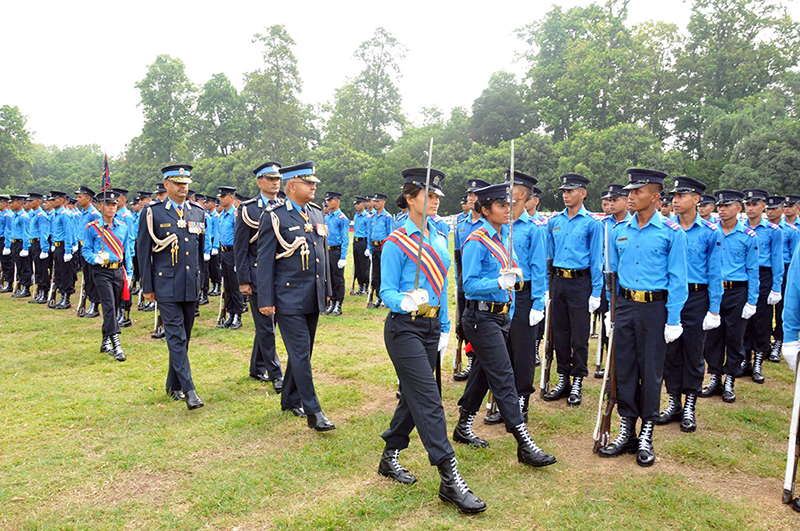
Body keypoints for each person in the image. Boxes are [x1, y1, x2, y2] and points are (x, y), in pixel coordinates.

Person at [378, 166, 486, 514]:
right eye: (429, 194)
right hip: (403, 327)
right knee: (429, 398)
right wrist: (403, 301)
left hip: (428, 329)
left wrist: (442, 325)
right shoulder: (397, 240)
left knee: (414, 395)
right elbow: (386, 290)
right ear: (410, 198)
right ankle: (449, 477)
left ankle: (389, 455)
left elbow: (440, 287)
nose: (436, 200)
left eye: (438, 194)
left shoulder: (440, 236)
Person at [453, 182, 557, 468]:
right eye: (501, 206)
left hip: (500, 315)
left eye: (509, 204)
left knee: (484, 373)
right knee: (503, 374)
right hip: (480, 316)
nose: (507, 210)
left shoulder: (499, 238)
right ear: (485, 210)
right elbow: (469, 285)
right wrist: (497, 282)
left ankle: (463, 425)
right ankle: (523, 441)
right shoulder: (477, 240)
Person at [599, 169, 688, 467]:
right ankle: (627, 430)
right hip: (625, 305)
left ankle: (646, 432)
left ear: (655, 196)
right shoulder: (618, 230)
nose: (631, 196)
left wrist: (673, 318)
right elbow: (611, 275)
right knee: (624, 368)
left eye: (637, 192)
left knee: (650, 371)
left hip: (654, 309)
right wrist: (612, 308)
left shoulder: (672, 233)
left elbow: (678, 278)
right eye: (630, 192)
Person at [256, 161, 335, 431]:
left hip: (312, 295)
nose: (313, 187)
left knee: (304, 353)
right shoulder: (274, 216)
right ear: (292, 186)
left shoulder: (316, 214)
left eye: (314, 183)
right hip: (287, 297)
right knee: (300, 353)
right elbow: (264, 261)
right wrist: (265, 300)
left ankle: (289, 398)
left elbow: (322, 256)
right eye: (308, 183)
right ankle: (313, 410)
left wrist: (327, 291)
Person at [656, 177, 722, 433]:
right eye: (674, 195)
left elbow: (716, 272)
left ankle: (690, 404)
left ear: (696, 199)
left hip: (697, 297)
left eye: (682, 195)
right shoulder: (666, 228)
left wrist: (714, 308)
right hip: (671, 297)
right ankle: (674, 402)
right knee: (671, 353)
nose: (675, 200)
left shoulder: (709, 232)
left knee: (694, 353)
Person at [137, 164, 206, 410]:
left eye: (185, 183)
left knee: (183, 338)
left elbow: (200, 251)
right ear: (166, 185)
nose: (182, 187)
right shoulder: (152, 213)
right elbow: (143, 252)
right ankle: (189, 390)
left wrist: (202, 282)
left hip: (190, 284)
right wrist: (147, 286)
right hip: (165, 283)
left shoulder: (197, 212)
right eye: (177, 183)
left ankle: (172, 384)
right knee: (175, 336)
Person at [543, 174, 603, 406]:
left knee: (579, 335)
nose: (566, 195)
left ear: (583, 193)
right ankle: (563, 377)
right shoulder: (554, 221)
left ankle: (577, 379)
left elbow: (597, 259)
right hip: (559, 281)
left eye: (571, 191)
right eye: (564, 191)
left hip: (581, 282)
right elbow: (550, 256)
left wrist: (596, 292)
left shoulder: (592, 223)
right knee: (560, 333)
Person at [700, 190, 759, 403]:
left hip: (736, 292)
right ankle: (715, 376)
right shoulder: (711, 231)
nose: (722, 209)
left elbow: (753, 270)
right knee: (713, 337)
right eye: (720, 205)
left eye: (727, 205)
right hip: (714, 291)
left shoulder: (748, 236)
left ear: (738, 208)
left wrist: (752, 300)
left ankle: (730, 379)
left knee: (734, 337)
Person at [235, 162, 285, 393]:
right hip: (257, 275)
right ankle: (276, 373)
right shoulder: (248, 209)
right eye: (270, 179)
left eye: (277, 179)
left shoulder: (285, 206)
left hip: (281, 274)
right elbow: (241, 248)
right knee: (266, 326)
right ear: (259, 182)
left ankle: (257, 366)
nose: (275, 182)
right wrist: (243, 280)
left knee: (267, 323)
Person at [82, 190, 133, 362]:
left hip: (118, 270)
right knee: (109, 305)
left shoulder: (123, 227)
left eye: (113, 204)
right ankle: (116, 342)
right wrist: (95, 258)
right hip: (101, 270)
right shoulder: (92, 228)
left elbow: (127, 251)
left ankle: (105, 341)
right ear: (99, 206)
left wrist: (130, 272)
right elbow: (86, 250)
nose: (111, 207)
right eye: (107, 204)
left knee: (116, 305)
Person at [740, 188, 783, 384]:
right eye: (747, 204)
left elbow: (777, 260)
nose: (750, 208)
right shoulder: (741, 228)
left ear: (763, 206)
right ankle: (745, 359)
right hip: (745, 277)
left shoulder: (773, 231)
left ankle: (758, 361)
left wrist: (776, 287)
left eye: (754, 204)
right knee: (745, 320)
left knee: (762, 320)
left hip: (764, 275)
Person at [452, 179, 491, 382]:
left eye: (474, 195)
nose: (470, 198)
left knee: (481, 323)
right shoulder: (461, 224)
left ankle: (480, 361)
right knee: (465, 323)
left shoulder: (489, 225)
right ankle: (470, 358)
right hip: (464, 281)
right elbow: (458, 256)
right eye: (469, 194)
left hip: (483, 283)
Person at [772, 195, 800, 362]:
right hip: (783, 270)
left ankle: (779, 339)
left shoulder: (794, 231)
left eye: (791, 206)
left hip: (788, 267)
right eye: (786, 206)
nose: (788, 209)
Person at [216, 186, 244, 330]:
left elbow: (239, 237)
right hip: (224, 252)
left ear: (231, 197)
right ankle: (230, 313)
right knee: (226, 286)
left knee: (235, 285)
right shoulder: (221, 215)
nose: (220, 199)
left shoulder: (236, 214)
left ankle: (238, 315)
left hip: (234, 252)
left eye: (223, 196)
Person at [76, 186, 102, 318]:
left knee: (92, 278)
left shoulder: (94, 214)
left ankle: (95, 305)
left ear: (88, 198)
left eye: (80, 197)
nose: (77, 199)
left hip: (91, 250)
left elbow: (98, 236)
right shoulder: (83, 212)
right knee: (87, 277)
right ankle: (91, 302)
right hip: (84, 248)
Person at [323, 191, 350, 316]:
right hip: (327, 250)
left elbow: (345, 238)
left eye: (331, 200)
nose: (328, 202)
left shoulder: (342, 218)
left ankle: (338, 303)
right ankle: (332, 302)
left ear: (337, 201)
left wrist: (343, 256)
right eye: (328, 200)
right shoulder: (327, 217)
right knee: (329, 278)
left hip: (337, 251)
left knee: (338, 279)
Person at [367, 193, 393, 308]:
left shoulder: (387, 217)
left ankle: (385, 298)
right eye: (374, 201)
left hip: (384, 247)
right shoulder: (372, 217)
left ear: (383, 201)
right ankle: (378, 296)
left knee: (384, 273)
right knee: (375, 274)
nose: (375, 203)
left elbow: (390, 234)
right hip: (374, 246)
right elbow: (369, 233)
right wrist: (369, 247)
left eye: (377, 201)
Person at [25, 193, 51, 304]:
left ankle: (44, 293)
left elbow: (43, 233)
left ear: (38, 201)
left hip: (39, 244)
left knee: (42, 269)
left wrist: (44, 249)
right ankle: (40, 291)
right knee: (37, 270)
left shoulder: (41, 215)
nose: (29, 203)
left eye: (32, 201)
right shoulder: (33, 215)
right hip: (33, 244)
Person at [6, 195, 32, 298]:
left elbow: (26, 233)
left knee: (24, 266)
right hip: (15, 243)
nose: (11, 204)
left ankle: (26, 288)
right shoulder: (15, 215)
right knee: (19, 266)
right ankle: (21, 286)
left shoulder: (23, 217)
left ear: (20, 203)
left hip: (21, 243)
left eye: (13, 202)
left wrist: (25, 248)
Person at [352, 197, 370, 295]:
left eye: (358, 204)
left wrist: (368, 247)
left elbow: (368, 232)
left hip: (363, 241)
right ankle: (360, 285)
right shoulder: (356, 216)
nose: (356, 205)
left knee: (364, 265)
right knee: (357, 265)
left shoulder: (367, 216)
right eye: (356, 204)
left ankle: (365, 286)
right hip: (356, 241)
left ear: (363, 204)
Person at [0, 195, 13, 292]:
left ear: (5, 203)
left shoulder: (7, 215)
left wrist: (7, 245)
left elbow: (8, 231)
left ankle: (9, 283)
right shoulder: (1, 214)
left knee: (6, 262)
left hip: (4, 239)